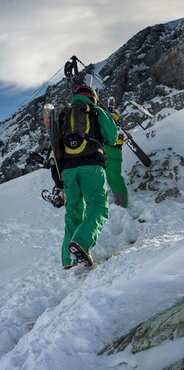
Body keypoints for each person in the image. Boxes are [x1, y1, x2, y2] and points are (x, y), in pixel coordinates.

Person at [59, 84, 118, 268]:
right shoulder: (96, 110)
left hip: (68, 169)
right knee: (98, 206)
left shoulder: (63, 115)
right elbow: (113, 137)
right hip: (91, 165)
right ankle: (82, 243)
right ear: (92, 97)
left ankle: (68, 260)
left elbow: (55, 142)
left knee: (73, 212)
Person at [104, 112, 128, 208]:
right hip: (116, 152)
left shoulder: (103, 122)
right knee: (115, 179)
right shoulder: (118, 127)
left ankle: (98, 205)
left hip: (103, 150)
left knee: (97, 178)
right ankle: (122, 204)